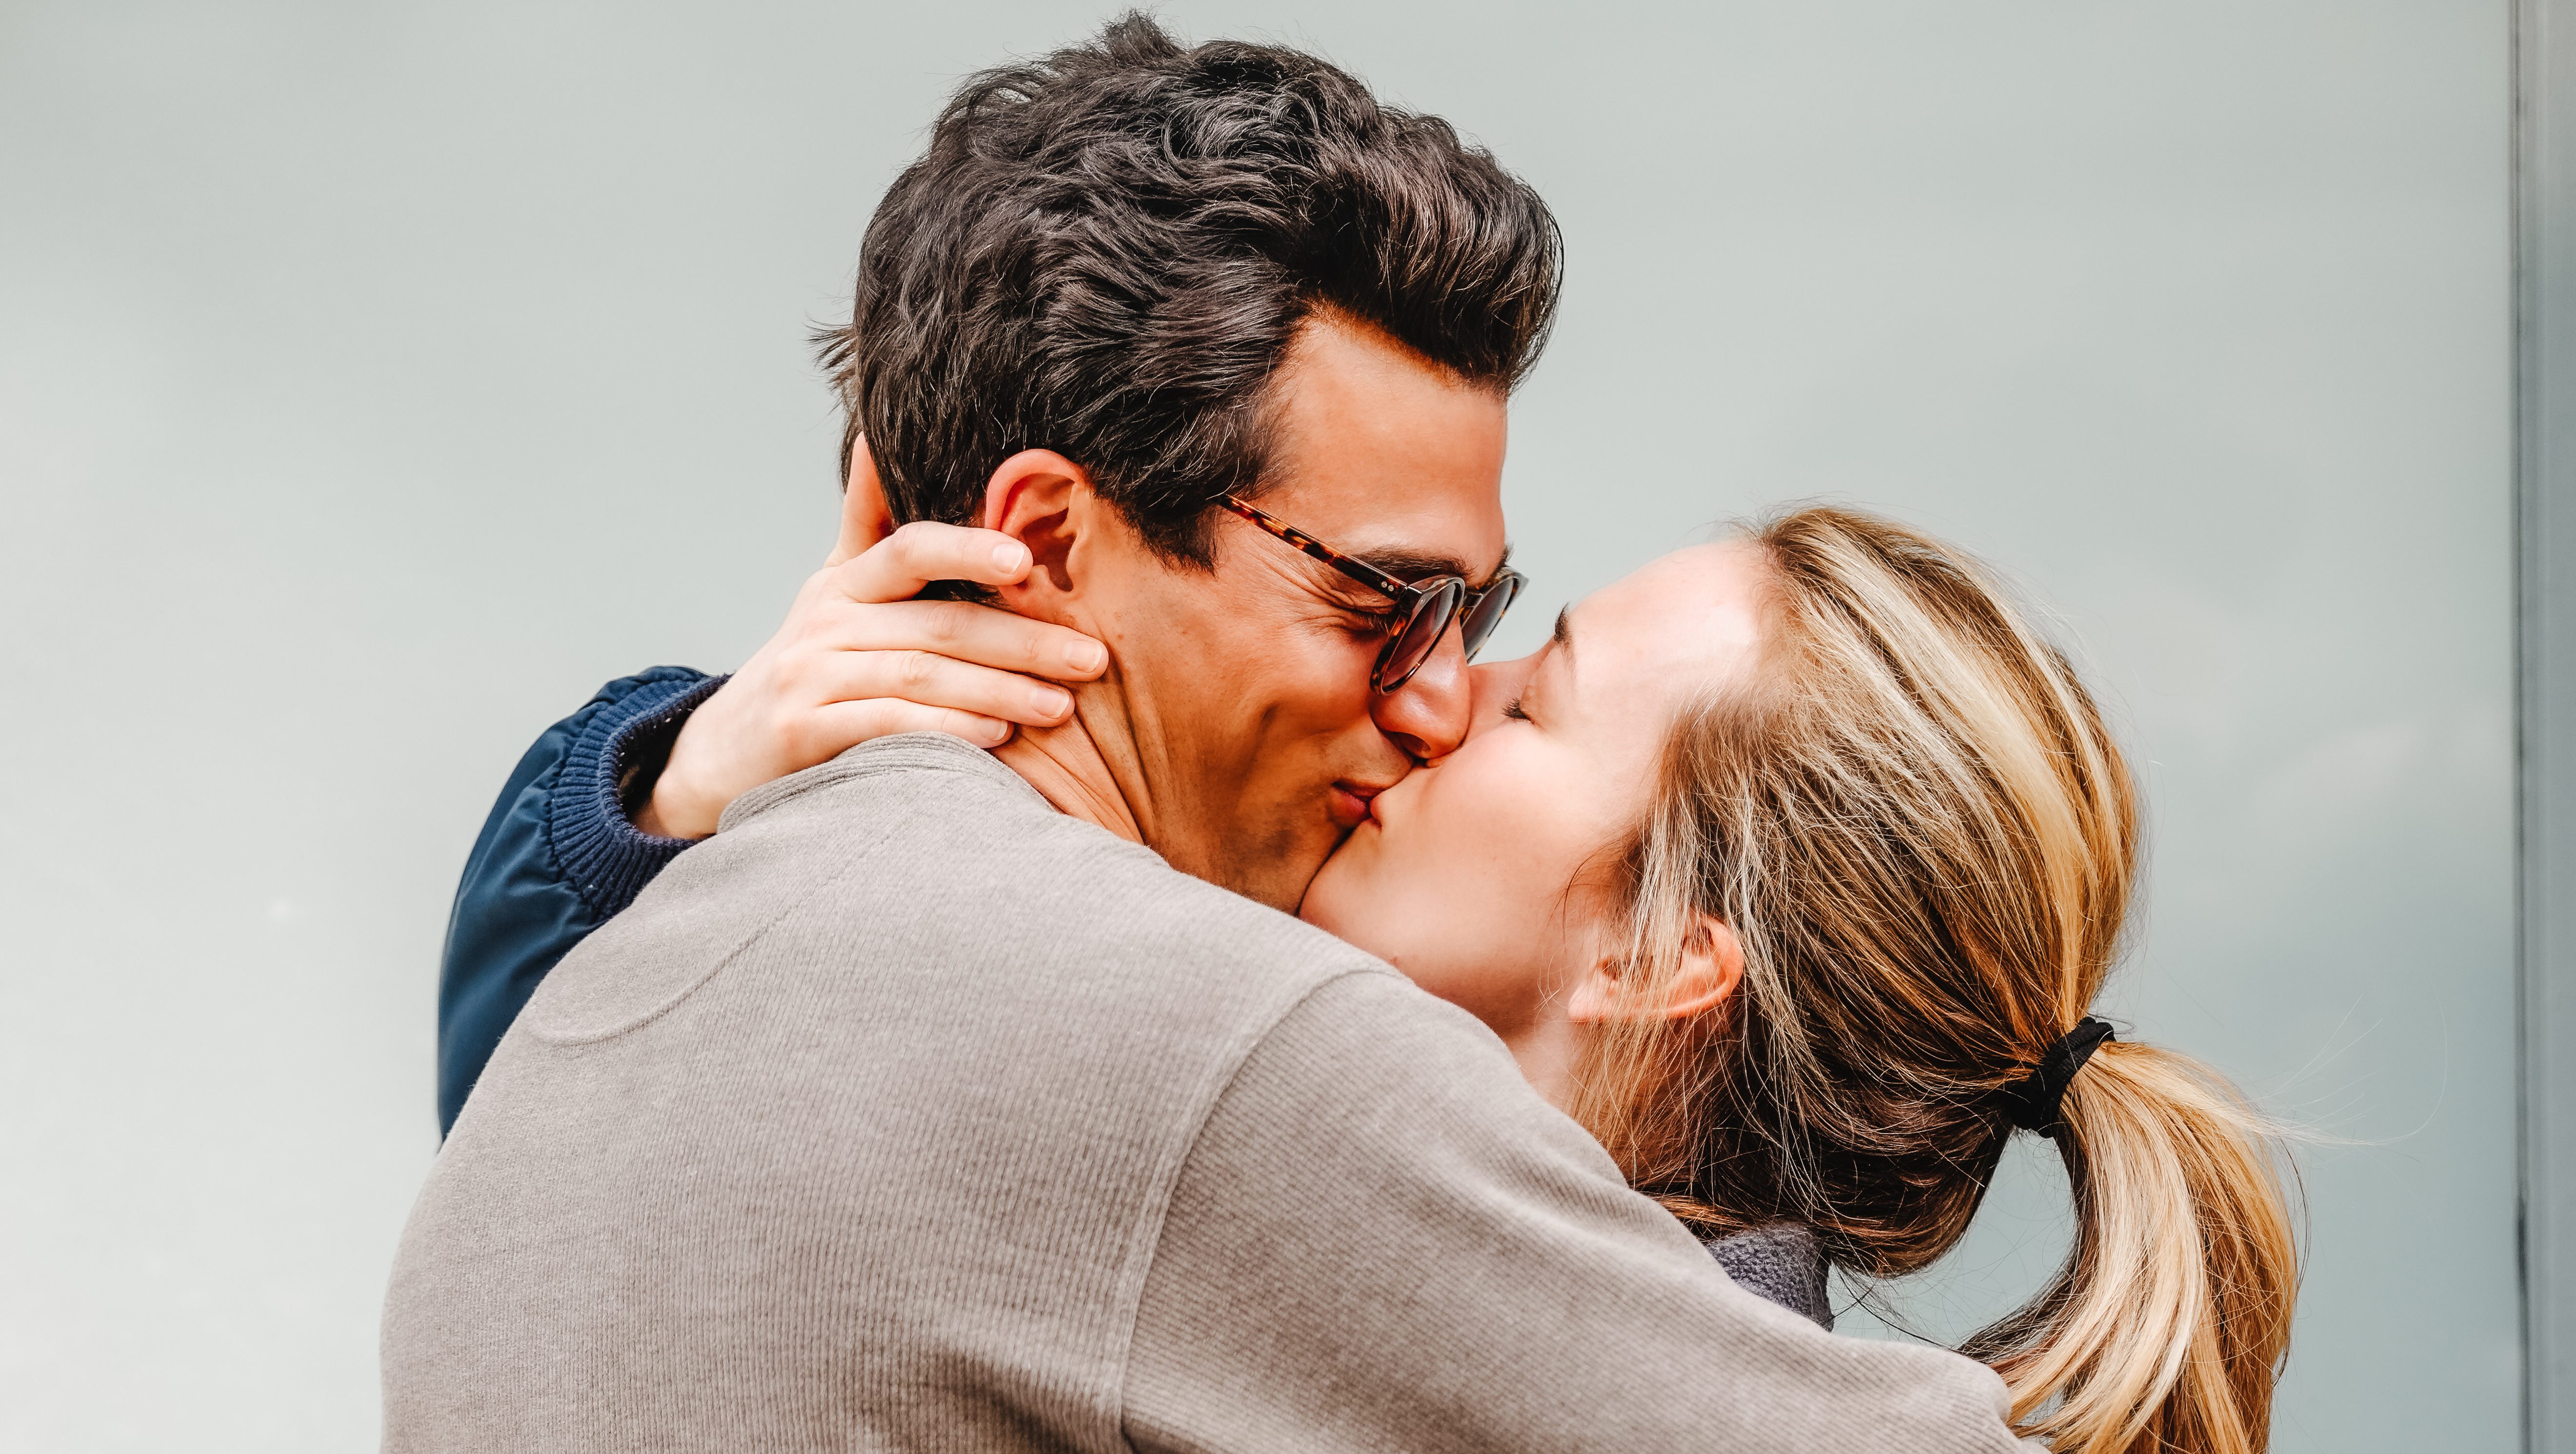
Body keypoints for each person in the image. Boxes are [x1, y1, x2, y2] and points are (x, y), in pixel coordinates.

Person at [386, 17, 2034, 1454]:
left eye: (1484, 617)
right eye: (1381, 596)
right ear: (1043, 538)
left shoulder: (561, 1053)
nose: (1440, 694)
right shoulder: (1226, 1049)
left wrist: (658, 804)